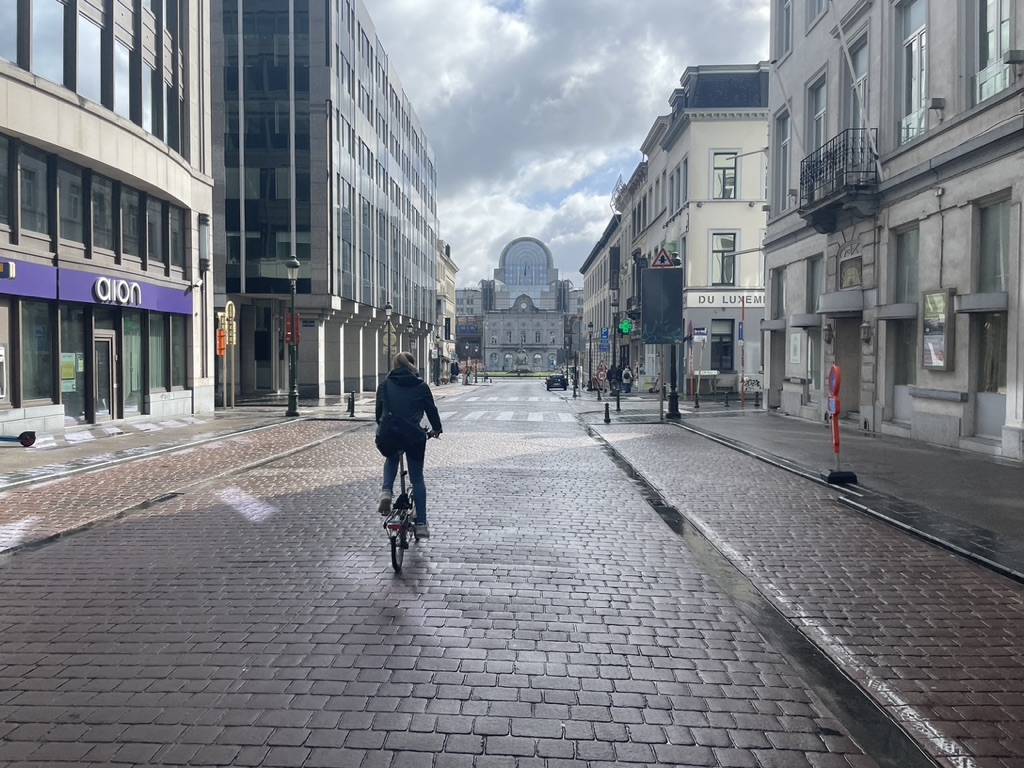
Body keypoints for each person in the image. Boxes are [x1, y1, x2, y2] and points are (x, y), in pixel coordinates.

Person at [375, 352, 443, 538]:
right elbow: (431, 410)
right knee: (417, 479)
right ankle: (421, 523)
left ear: (395, 365)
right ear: (413, 365)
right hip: (413, 436)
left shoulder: (384, 385)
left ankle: (386, 491)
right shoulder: (421, 386)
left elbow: (378, 413)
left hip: (389, 433)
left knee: (391, 457)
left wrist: (384, 428)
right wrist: (436, 429)